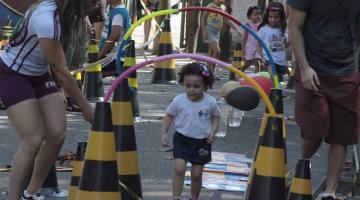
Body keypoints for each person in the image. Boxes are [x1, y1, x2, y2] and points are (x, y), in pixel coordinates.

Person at [0, 0, 96, 199]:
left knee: (56, 134)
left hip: (40, 74)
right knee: (33, 139)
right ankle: (13, 197)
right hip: (12, 73)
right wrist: (86, 107)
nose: (96, 6)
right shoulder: (47, 19)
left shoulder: (70, 15)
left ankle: (32, 192)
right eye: (94, 1)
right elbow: (60, 70)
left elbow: (59, 66)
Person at [287, 0, 360, 199]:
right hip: (312, 70)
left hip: (346, 72)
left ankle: (329, 192)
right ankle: (302, 163)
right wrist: (303, 67)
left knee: (342, 136)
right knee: (314, 129)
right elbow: (294, 26)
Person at [161, 62, 220, 200]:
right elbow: (169, 116)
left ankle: (194, 198)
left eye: (196, 86)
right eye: (187, 86)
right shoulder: (178, 101)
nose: (192, 90)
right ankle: (176, 197)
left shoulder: (210, 102)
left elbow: (216, 117)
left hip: (202, 142)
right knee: (179, 169)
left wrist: (212, 132)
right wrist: (164, 133)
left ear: (205, 86)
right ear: (183, 83)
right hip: (182, 139)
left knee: (196, 174)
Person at [200, 0, 242, 78]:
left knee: (211, 52)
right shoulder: (210, 6)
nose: (220, 0)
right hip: (210, 30)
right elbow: (203, 19)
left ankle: (207, 71)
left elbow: (226, 19)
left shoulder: (223, 7)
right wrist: (204, 31)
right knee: (217, 51)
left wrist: (236, 29)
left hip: (217, 32)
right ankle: (212, 71)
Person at [256, 1, 289, 82]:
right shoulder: (263, 30)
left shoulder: (282, 30)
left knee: (277, 80)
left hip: (280, 60)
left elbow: (283, 45)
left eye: (276, 17)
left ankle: (274, 92)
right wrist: (262, 58)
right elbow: (258, 45)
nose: (273, 19)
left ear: (281, 17)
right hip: (269, 59)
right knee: (272, 77)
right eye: (270, 17)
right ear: (267, 16)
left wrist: (292, 41)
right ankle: (271, 94)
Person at [99, 0, 131, 77]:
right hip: (113, 56)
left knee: (88, 71)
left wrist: (100, 54)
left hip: (116, 58)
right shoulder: (115, 10)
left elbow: (114, 36)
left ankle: (117, 71)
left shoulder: (118, 13)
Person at [241, 6, 262, 72]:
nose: (258, 16)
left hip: (258, 47)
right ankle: (241, 70)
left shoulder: (261, 25)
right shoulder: (248, 26)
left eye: (259, 14)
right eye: (255, 14)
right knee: (248, 63)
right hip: (249, 47)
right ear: (250, 16)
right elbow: (245, 37)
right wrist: (243, 48)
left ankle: (256, 78)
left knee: (257, 63)